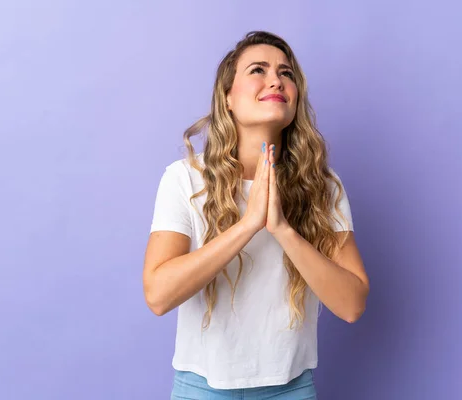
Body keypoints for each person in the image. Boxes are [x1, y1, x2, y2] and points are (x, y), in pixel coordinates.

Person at [143, 31, 370, 400]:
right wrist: (249, 224)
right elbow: (158, 295)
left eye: (286, 73)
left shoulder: (324, 187)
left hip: (291, 390)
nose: (276, 80)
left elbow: (351, 305)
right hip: (201, 389)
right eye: (258, 70)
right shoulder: (184, 178)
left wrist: (282, 229)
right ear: (228, 98)